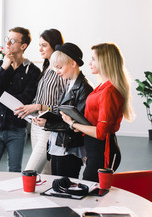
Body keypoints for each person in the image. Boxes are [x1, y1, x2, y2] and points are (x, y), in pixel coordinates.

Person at [60, 43, 134, 182]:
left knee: (91, 193)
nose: (89, 63)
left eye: (93, 59)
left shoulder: (109, 91)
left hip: (103, 152)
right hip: (95, 149)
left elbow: (101, 133)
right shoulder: (103, 86)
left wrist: (73, 124)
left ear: (104, 61)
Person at [0, 27, 41, 172]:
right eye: (7, 39)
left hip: (16, 130)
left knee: (14, 171)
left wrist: (0, 94)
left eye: (13, 40)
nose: (7, 43)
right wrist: (4, 68)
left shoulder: (33, 71)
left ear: (23, 46)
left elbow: (24, 100)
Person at [34, 43, 93, 178]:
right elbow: (63, 115)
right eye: (55, 68)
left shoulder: (84, 88)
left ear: (73, 63)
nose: (57, 71)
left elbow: (77, 124)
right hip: (59, 145)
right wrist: (46, 118)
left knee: (65, 187)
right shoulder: (68, 83)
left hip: (69, 148)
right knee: (57, 185)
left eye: (59, 67)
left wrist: (47, 124)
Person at [15, 29, 65, 174]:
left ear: (54, 46)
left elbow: (63, 106)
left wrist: (38, 106)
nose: (40, 49)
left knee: (29, 173)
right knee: (46, 174)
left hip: (48, 129)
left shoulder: (60, 70)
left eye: (44, 45)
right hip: (36, 126)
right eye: (39, 45)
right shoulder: (47, 67)